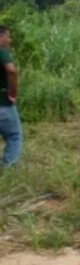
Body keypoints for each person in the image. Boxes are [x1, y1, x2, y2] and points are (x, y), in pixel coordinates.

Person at [0, 26, 22, 167]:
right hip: (2, 103)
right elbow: (12, 71)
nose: (10, 39)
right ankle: (8, 169)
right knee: (14, 136)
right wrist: (12, 93)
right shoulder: (1, 53)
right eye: (8, 36)